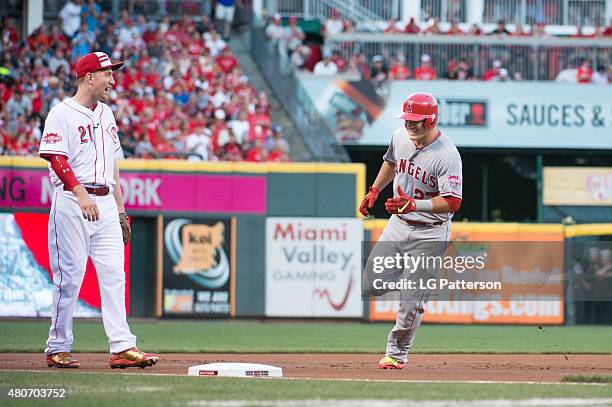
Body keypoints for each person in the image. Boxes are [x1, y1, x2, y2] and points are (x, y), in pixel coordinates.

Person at [39, 52, 159, 369]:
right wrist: (80, 194)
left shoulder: (106, 113)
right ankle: (57, 346)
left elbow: (113, 165)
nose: (113, 80)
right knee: (70, 278)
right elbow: (55, 158)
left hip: (105, 202)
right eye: (108, 74)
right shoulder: (61, 113)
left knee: (114, 276)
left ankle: (121, 347)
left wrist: (120, 210)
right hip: (72, 201)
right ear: (90, 77)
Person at [359, 92, 462, 369]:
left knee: (411, 301)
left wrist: (415, 204)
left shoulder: (447, 155)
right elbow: (391, 162)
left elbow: (453, 201)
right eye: (407, 119)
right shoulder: (399, 136)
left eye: (416, 120)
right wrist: (375, 190)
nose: (409, 125)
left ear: (431, 120)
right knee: (371, 284)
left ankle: (397, 352)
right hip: (398, 223)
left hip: (430, 231)